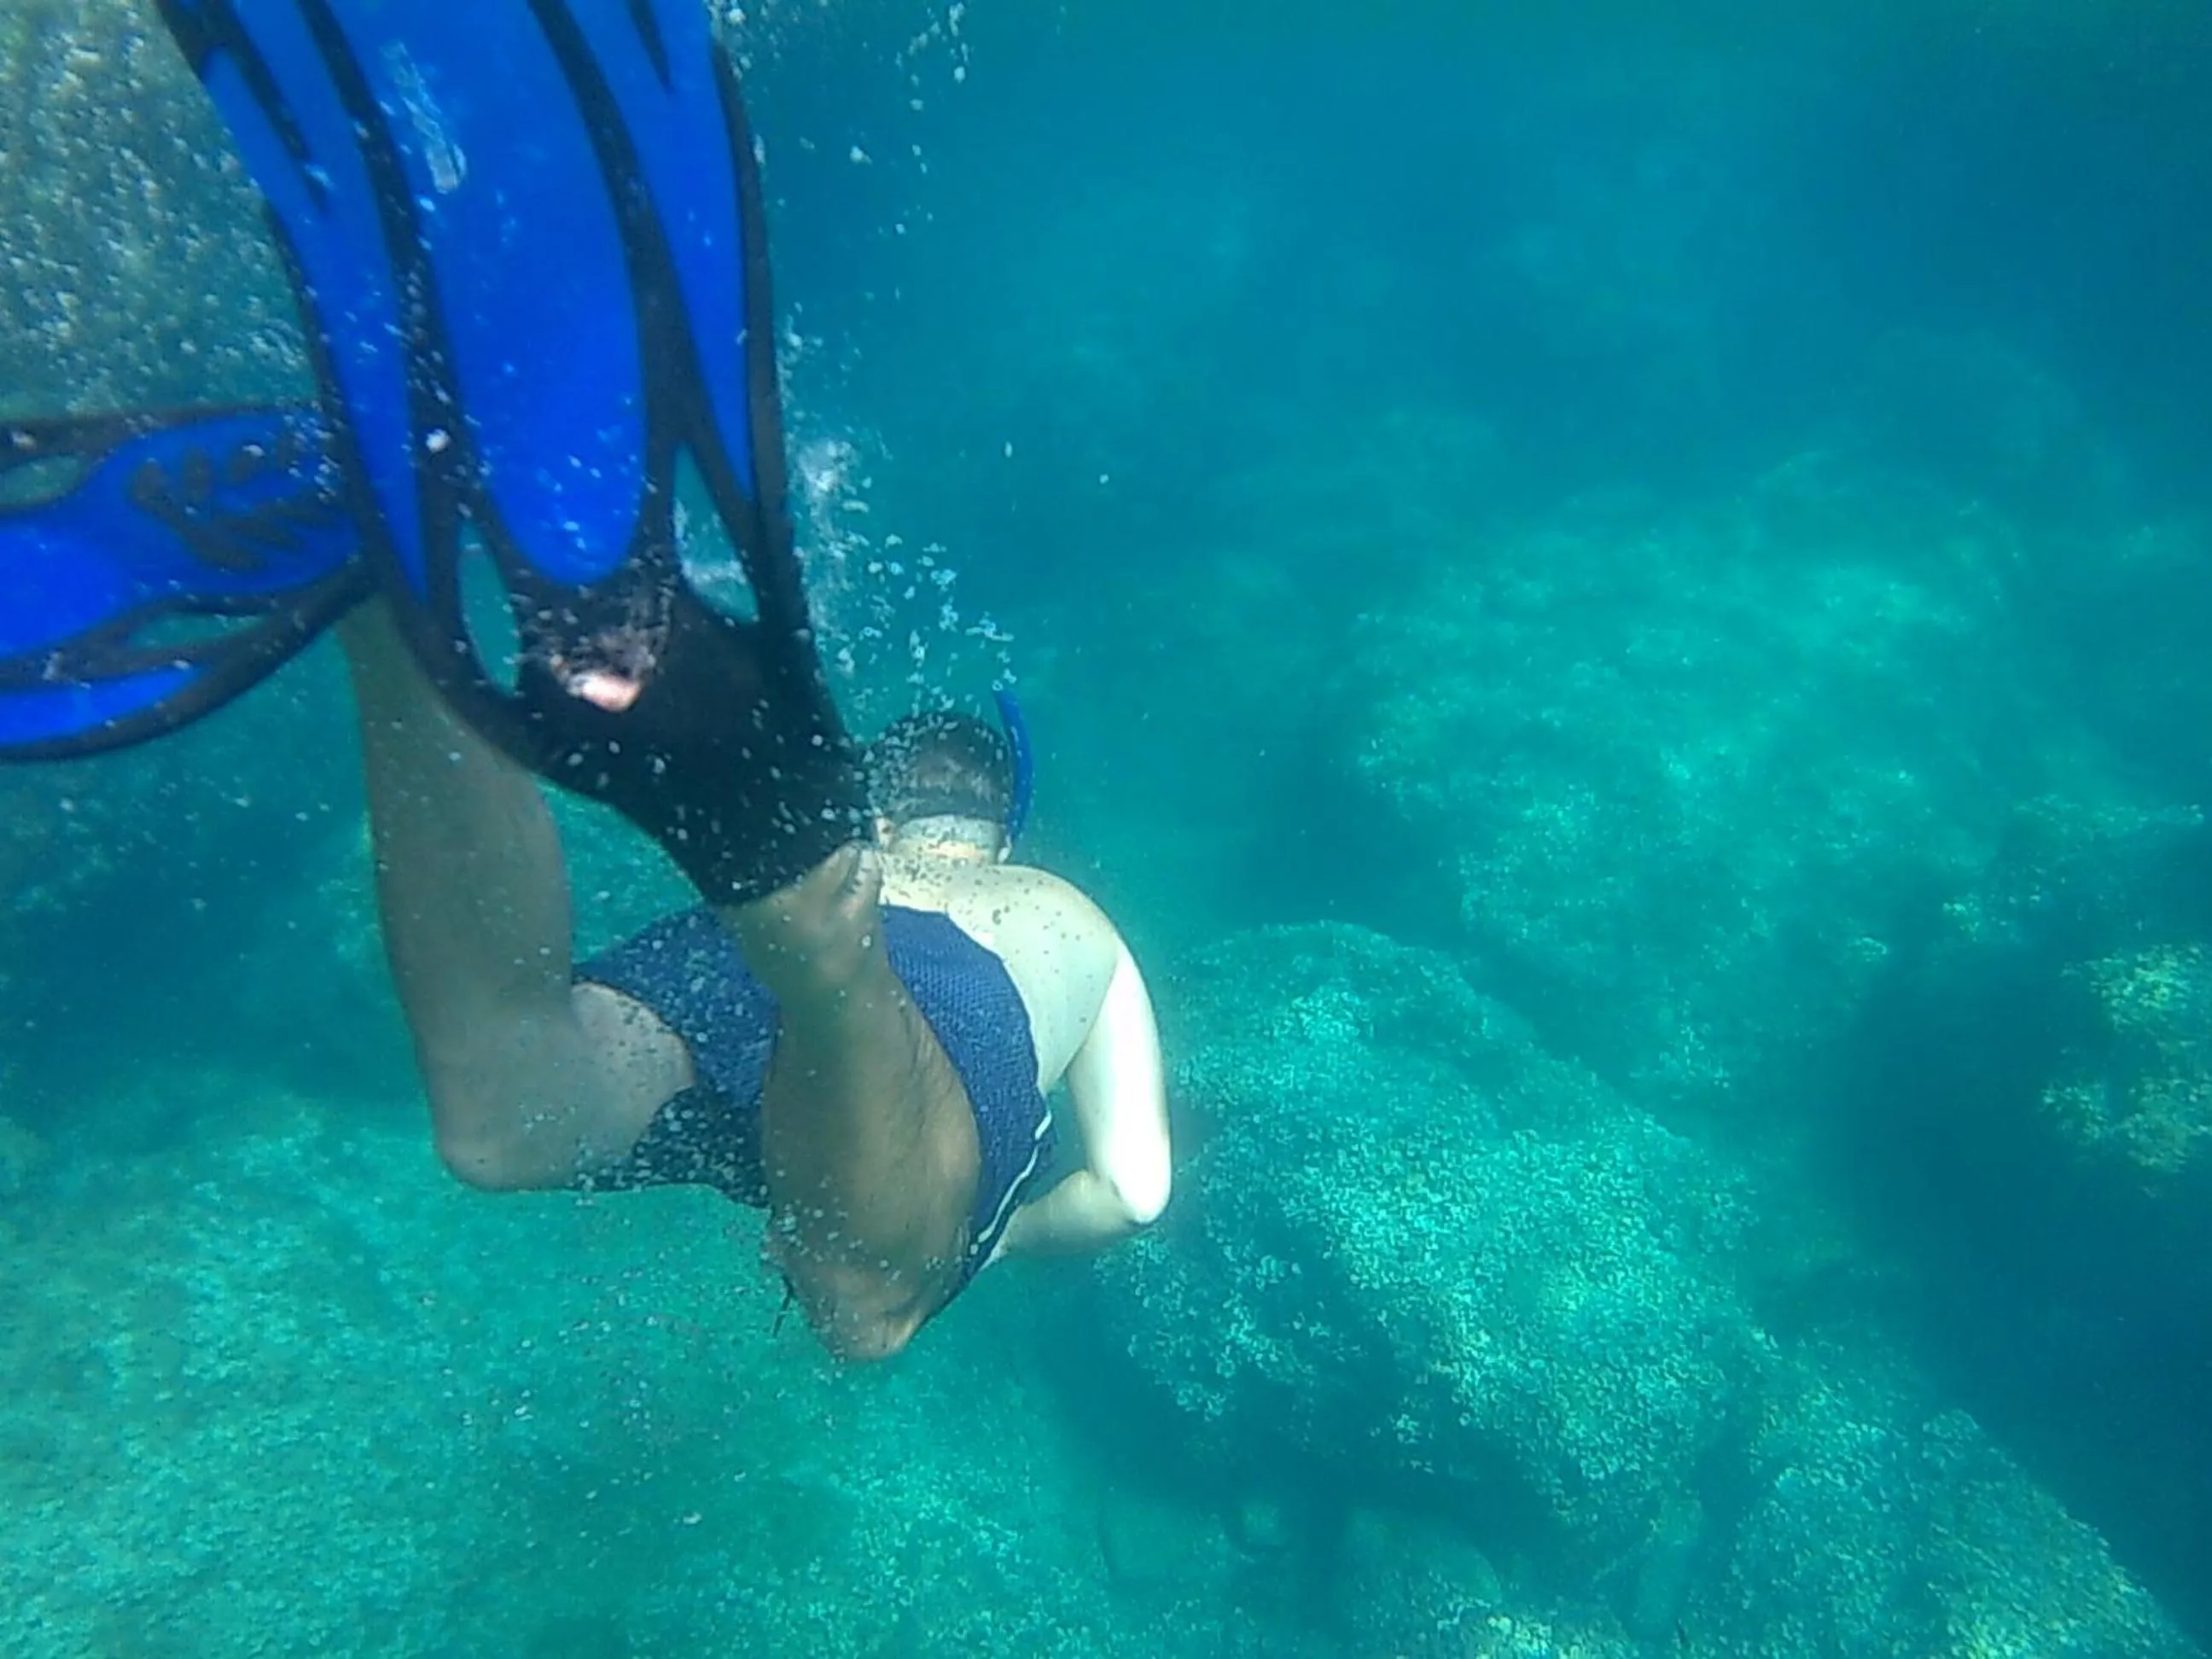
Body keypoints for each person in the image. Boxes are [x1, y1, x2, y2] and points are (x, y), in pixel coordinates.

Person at [342, 597, 1170, 1360]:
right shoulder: (1068, 917)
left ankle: (384, 620)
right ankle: (819, 951)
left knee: (507, 1121)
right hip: (943, 1019)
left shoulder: (872, 858)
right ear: (1002, 838)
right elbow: (1135, 1193)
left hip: (739, 963)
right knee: (866, 1309)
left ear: (879, 818)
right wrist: (1007, 1236)